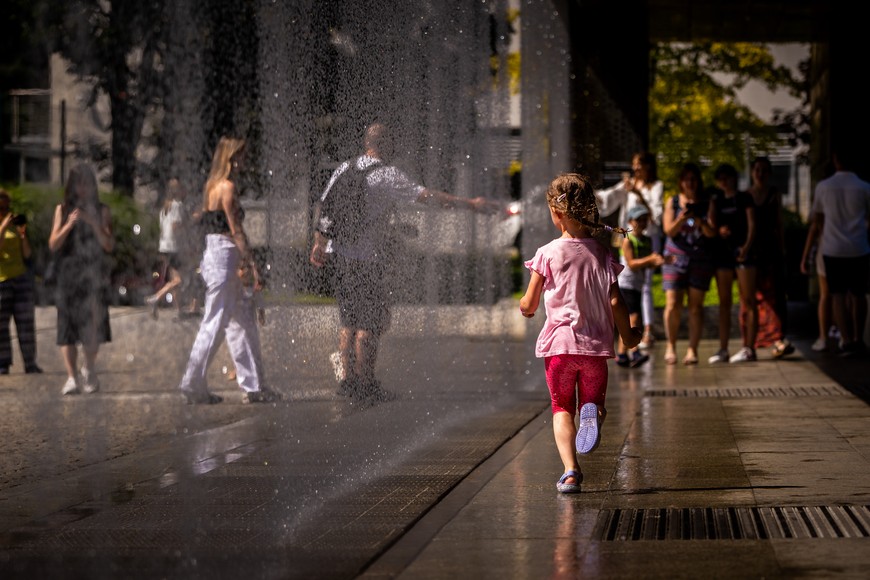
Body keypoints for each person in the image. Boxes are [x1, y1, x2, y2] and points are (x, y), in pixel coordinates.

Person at [309, 122, 497, 404]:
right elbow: (429, 197)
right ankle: (366, 383)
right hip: (367, 260)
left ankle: (348, 381)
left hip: (341, 256)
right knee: (370, 323)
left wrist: (318, 242)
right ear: (385, 144)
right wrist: (471, 204)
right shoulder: (387, 175)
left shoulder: (345, 167)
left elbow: (324, 205)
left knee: (348, 320)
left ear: (366, 143)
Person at [519, 172, 641, 494]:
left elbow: (530, 302)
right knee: (593, 402)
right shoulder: (602, 254)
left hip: (559, 349)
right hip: (594, 350)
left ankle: (571, 472)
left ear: (556, 213)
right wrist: (628, 336)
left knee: (561, 408)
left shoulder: (547, 253)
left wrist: (526, 308)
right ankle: (594, 414)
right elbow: (616, 301)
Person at [178, 136, 279, 404]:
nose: (243, 162)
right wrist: (253, 265)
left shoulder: (211, 187)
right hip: (224, 255)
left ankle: (254, 385)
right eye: (239, 157)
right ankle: (192, 383)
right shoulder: (228, 187)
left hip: (216, 254)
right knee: (215, 322)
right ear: (230, 159)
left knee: (242, 323)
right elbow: (236, 231)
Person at [48, 164, 114, 395]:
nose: (82, 188)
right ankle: (71, 377)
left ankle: (89, 368)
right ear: (72, 186)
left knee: (92, 327)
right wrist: (69, 224)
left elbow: (108, 245)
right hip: (68, 276)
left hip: (93, 276)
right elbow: (53, 244)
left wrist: (93, 222)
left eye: (86, 183)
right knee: (66, 328)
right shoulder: (62, 209)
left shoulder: (102, 210)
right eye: (78, 183)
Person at [801, 149, 870, 357]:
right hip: (858, 247)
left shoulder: (824, 187)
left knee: (837, 295)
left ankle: (846, 340)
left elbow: (817, 219)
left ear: (835, 160)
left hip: (833, 248)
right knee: (859, 294)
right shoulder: (864, 187)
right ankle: (858, 338)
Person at [595, 152, 664, 349]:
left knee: (646, 284)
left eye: (639, 164)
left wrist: (638, 193)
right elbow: (609, 198)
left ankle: (647, 330)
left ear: (648, 166)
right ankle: (630, 330)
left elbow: (656, 215)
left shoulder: (656, 186)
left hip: (648, 237)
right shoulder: (629, 184)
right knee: (627, 280)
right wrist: (592, 195)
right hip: (629, 238)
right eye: (634, 164)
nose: (635, 168)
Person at [661, 162, 716, 365]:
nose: (690, 183)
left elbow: (711, 233)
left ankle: (692, 349)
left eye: (693, 179)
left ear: (698, 181)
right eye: (686, 179)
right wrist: (682, 218)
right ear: (681, 182)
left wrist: (700, 220)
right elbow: (668, 230)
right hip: (674, 258)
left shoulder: (707, 202)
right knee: (673, 304)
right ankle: (671, 346)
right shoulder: (673, 201)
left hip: (700, 258)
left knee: (695, 307)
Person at [707, 163, 758, 364]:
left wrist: (747, 247)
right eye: (720, 178)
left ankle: (749, 348)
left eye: (727, 177)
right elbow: (712, 225)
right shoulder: (717, 200)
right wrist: (719, 229)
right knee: (724, 303)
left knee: (749, 300)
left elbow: (752, 224)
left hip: (744, 253)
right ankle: (723, 349)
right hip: (723, 254)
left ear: (734, 178)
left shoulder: (745, 198)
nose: (724, 182)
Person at [745, 156, 794, 359]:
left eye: (764, 170)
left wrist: (782, 249)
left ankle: (777, 338)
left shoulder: (774, 193)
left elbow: (779, 223)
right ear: (752, 172)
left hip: (771, 249)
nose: (760, 174)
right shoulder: (746, 195)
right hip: (751, 250)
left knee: (775, 295)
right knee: (753, 296)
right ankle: (753, 340)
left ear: (769, 173)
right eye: (757, 170)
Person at [615, 204, 663, 368]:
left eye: (644, 219)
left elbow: (647, 263)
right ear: (630, 221)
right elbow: (632, 264)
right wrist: (651, 259)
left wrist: (660, 262)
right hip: (626, 283)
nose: (642, 223)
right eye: (638, 220)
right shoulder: (627, 240)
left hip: (638, 284)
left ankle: (622, 354)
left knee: (630, 319)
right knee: (633, 318)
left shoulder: (647, 240)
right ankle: (634, 351)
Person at [0, 189, 42, 375]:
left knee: (25, 323)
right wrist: (3, 226)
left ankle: (30, 362)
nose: (4, 210)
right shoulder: (3, 225)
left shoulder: (16, 225)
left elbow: (27, 253)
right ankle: (3, 363)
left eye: (6, 206)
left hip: (20, 278)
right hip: (2, 279)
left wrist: (22, 234)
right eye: (0, 207)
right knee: (1, 324)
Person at [145, 178, 189, 319]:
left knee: (174, 279)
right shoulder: (178, 205)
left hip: (164, 246)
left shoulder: (164, 208)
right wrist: (187, 232)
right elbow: (176, 227)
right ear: (179, 191)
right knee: (179, 280)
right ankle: (155, 298)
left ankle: (179, 311)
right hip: (174, 246)